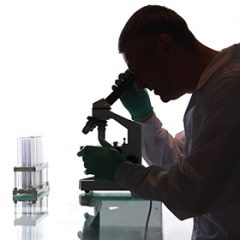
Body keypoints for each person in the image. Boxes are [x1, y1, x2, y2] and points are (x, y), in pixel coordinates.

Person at [78, 5, 240, 240]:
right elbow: (178, 164)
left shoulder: (231, 88)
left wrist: (120, 170)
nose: (141, 84)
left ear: (166, 46)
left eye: (140, 70)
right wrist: (144, 116)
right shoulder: (211, 91)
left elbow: (191, 191)